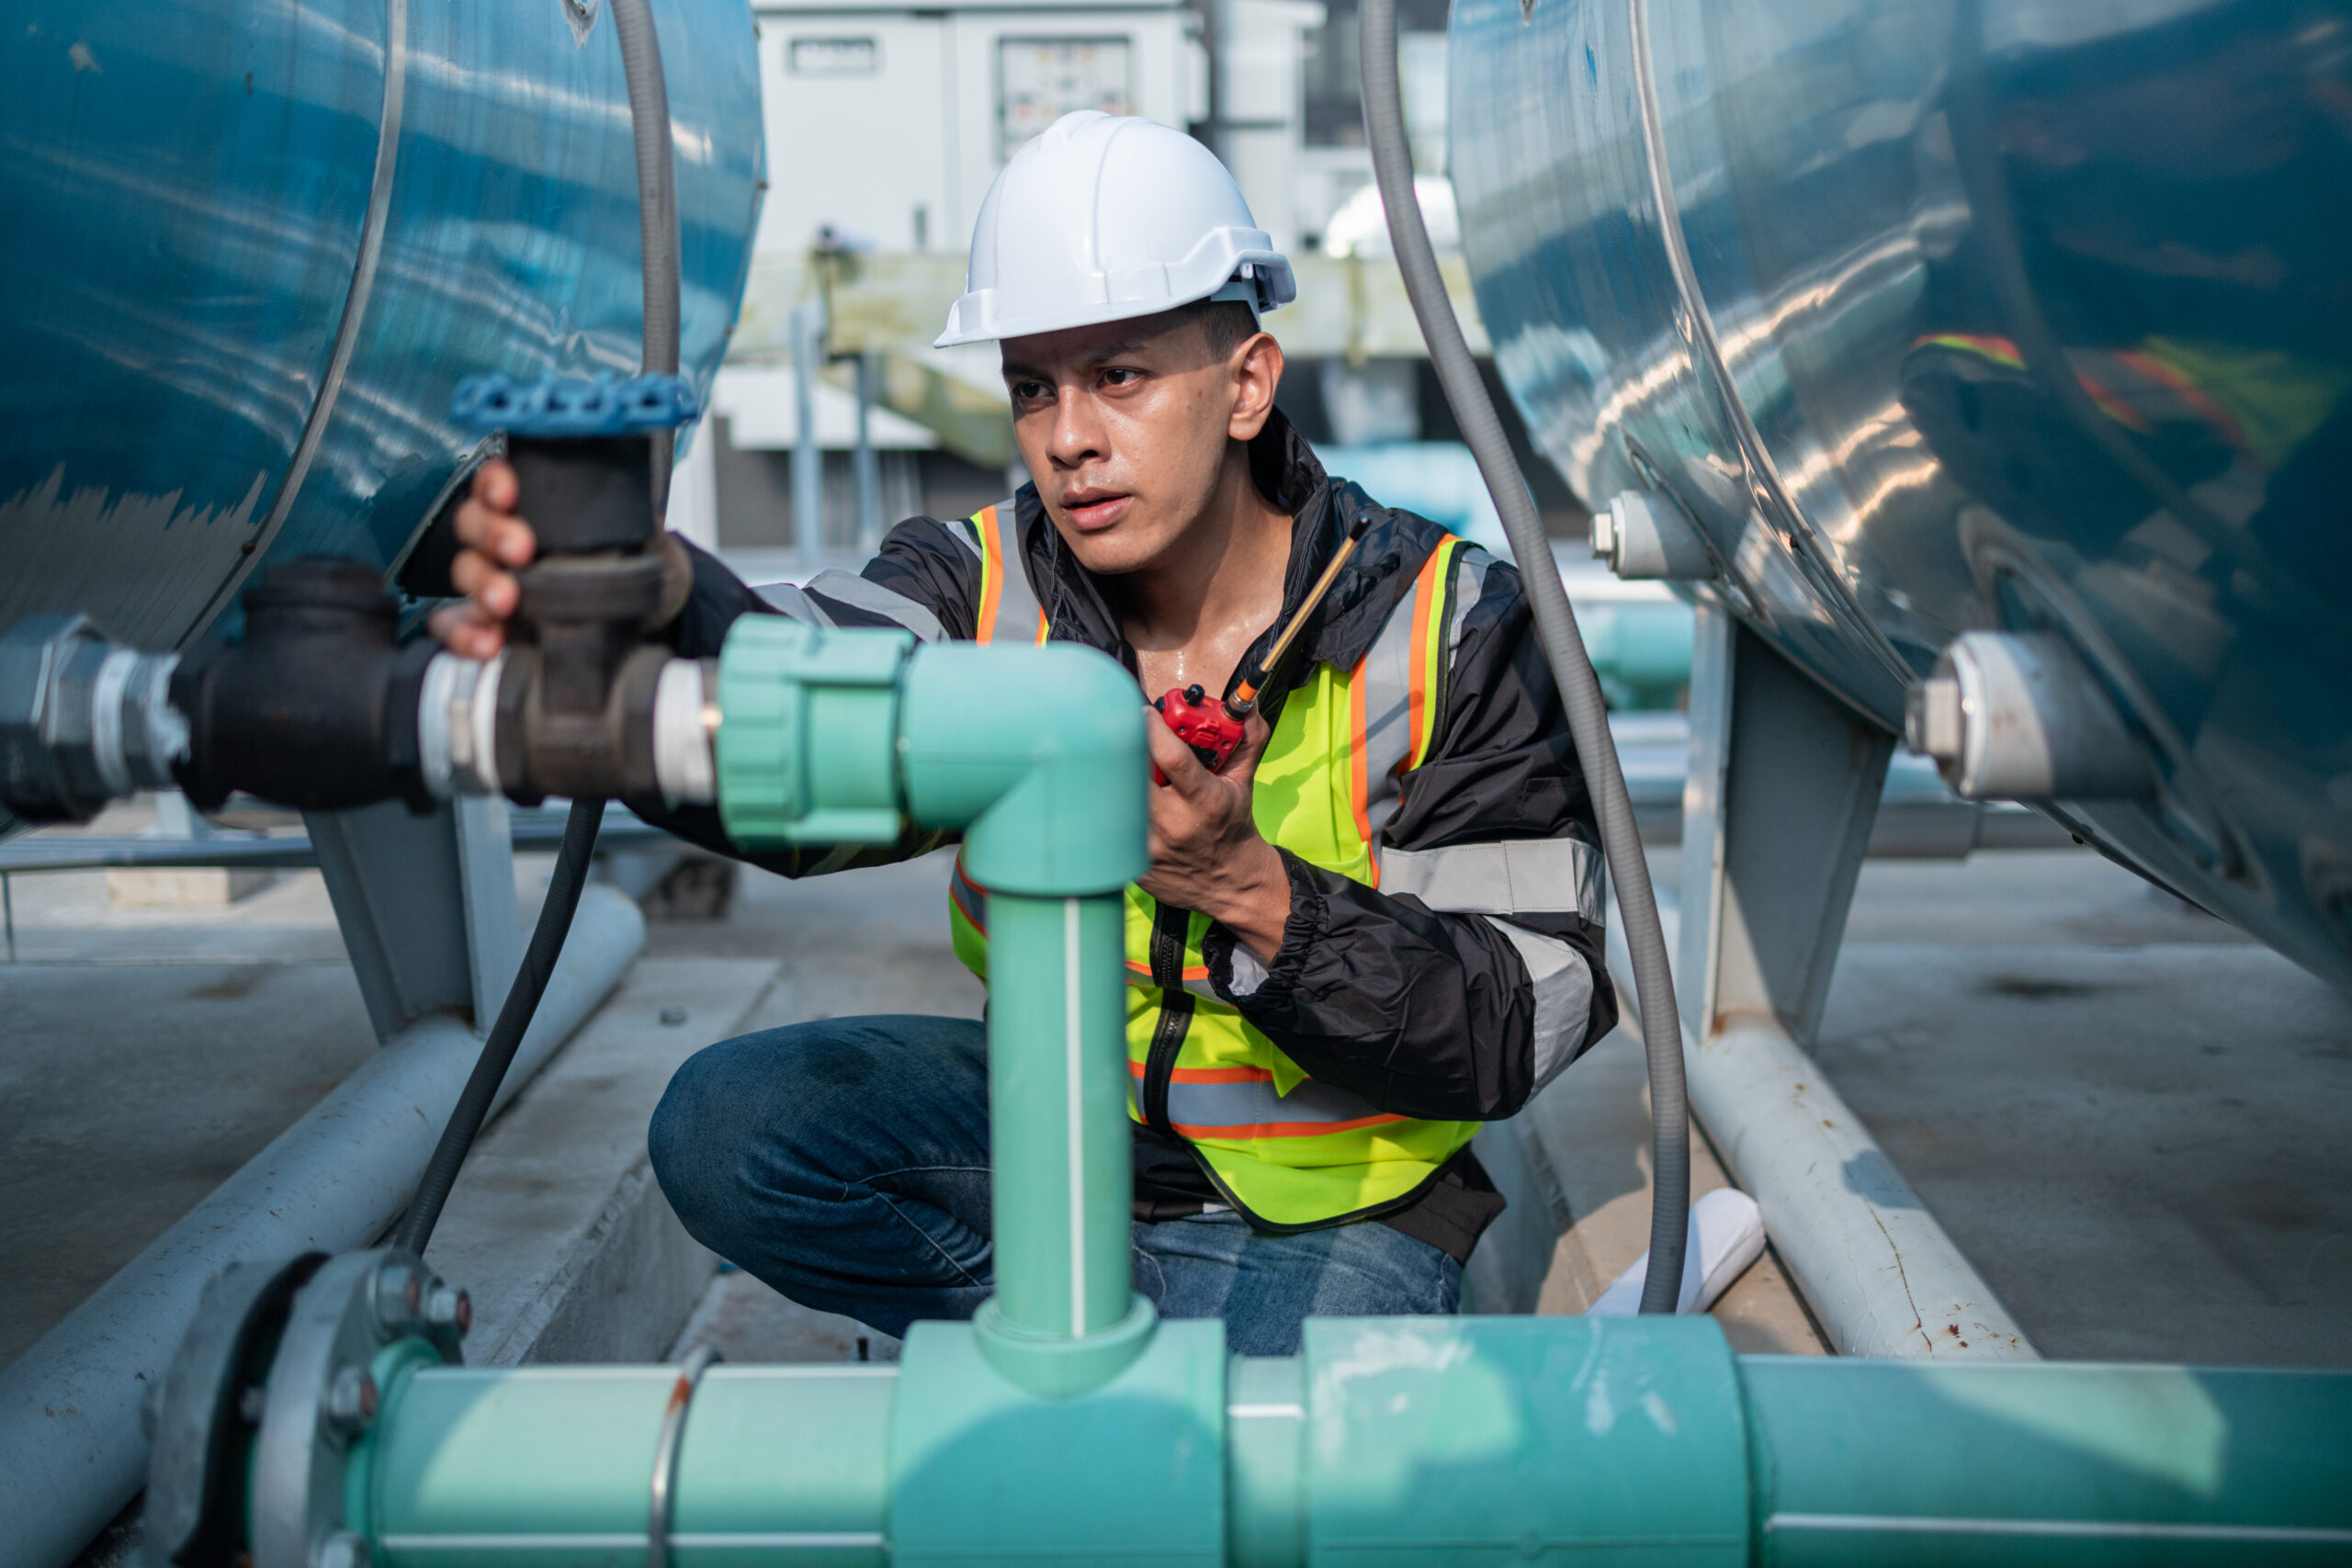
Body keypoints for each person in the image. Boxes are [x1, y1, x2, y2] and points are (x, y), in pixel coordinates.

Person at [425, 111, 1615, 1356]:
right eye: (1033, 387)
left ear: (1249, 384)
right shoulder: (974, 580)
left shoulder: (1447, 624)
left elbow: (1519, 1017)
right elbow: (800, 707)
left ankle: (1101, 1368)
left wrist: (1253, 893)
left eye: (1121, 376)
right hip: (1049, 1145)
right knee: (732, 1127)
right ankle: (1102, 1346)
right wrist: (659, 600)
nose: (1068, 438)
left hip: (1332, 1213)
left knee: (1234, 1511)